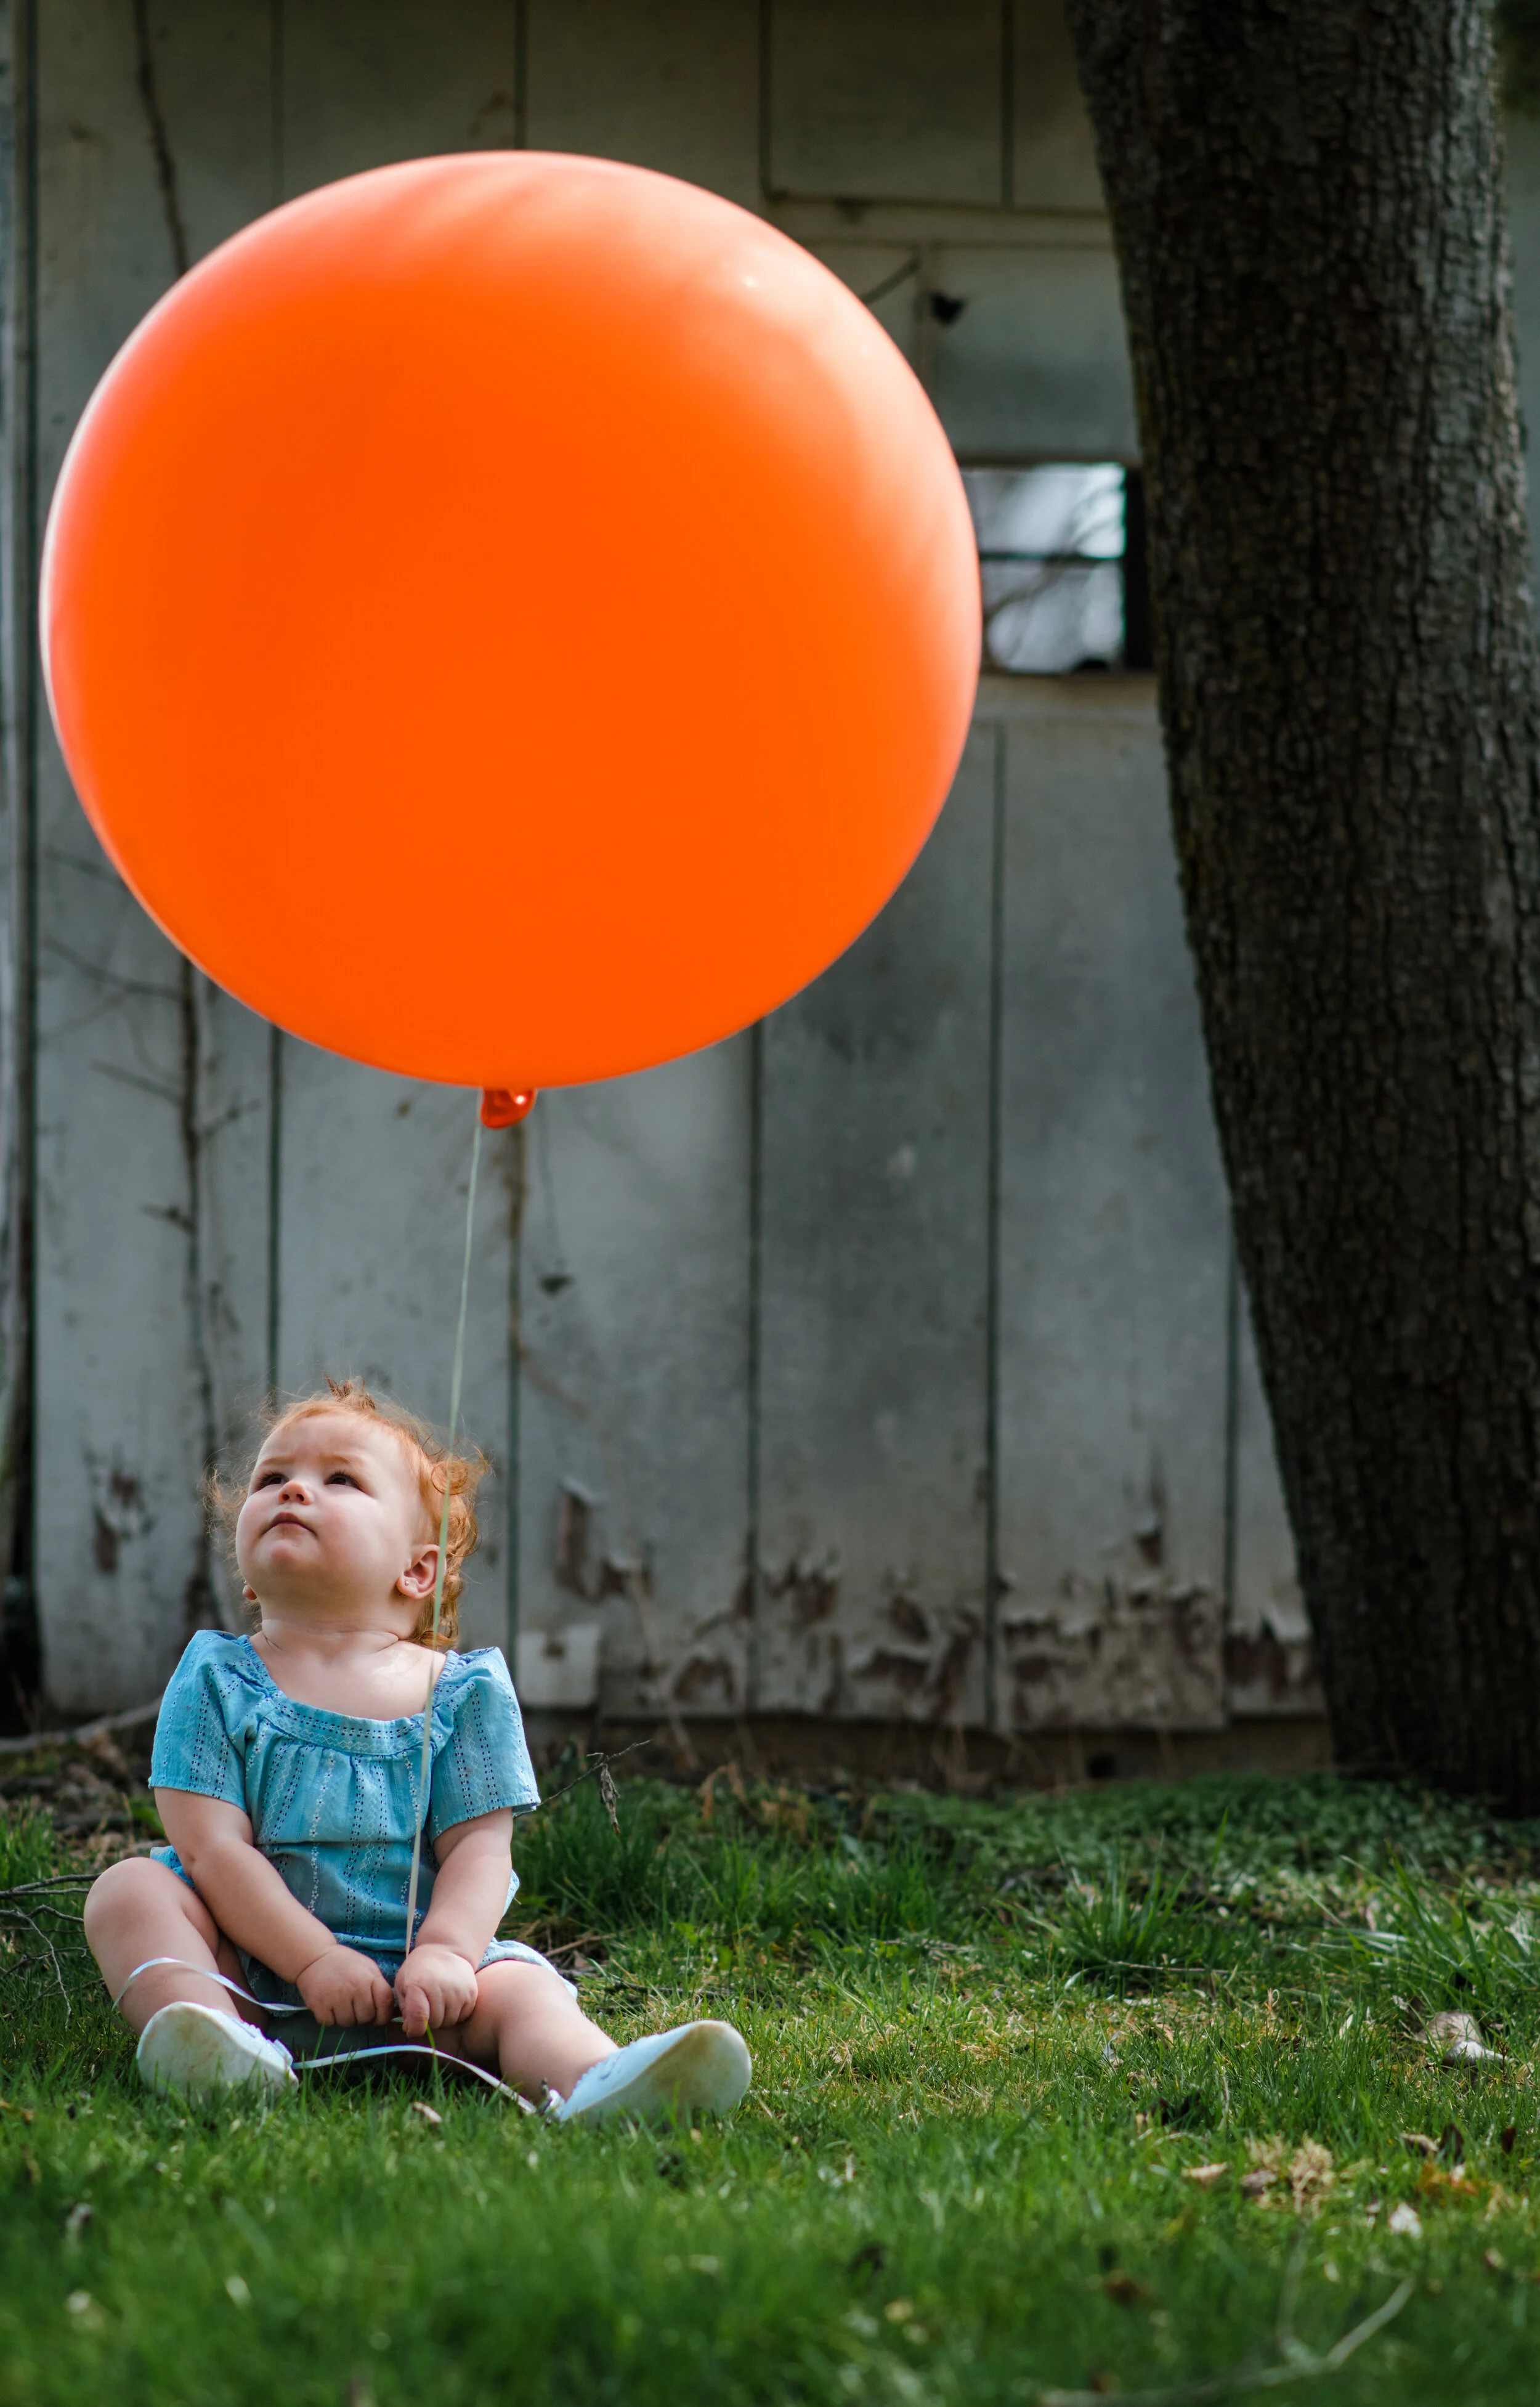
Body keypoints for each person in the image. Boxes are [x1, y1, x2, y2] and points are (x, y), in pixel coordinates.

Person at [83, 1378, 750, 2121]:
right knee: (131, 1891)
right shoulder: (215, 1676)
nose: (294, 1491)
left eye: (340, 1479)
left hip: (426, 1993)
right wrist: (312, 1961)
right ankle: (215, 2044)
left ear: (418, 1571)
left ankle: (595, 2081)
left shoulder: (462, 1694)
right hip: (254, 1972)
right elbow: (211, 1850)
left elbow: (478, 1852)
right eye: (273, 1478)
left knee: (522, 1993)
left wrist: (446, 1953)